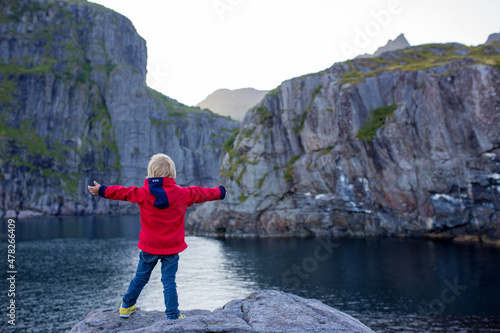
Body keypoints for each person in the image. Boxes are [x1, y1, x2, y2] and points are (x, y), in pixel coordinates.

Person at [87, 153, 226, 320]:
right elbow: (202, 193)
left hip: (149, 246)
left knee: (140, 278)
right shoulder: (183, 194)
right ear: (172, 173)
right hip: (171, 247)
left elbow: (122, 192)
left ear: (151, 173)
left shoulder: (142, 193)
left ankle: (125, 307)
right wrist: (219, 192)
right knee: (169, 281)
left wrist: (102, 189)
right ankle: (173, 315)